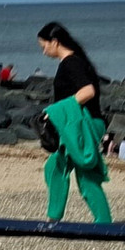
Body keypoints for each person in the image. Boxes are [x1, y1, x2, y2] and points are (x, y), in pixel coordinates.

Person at [36, 21, 111, 224]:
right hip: (79, 124)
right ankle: (55, 218)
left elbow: (88, 91)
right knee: (55, 167)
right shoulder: (72, 61)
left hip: (85, 124)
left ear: (55, 42)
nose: (43, 51)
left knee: (85, 176)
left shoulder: (71, 62)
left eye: (44, 46)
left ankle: (103, 224)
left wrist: (55, 111)